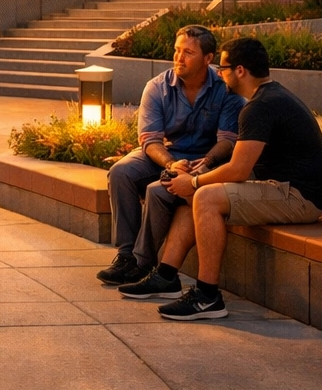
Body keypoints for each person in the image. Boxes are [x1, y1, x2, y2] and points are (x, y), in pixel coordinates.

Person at [145, 37, 322, 321]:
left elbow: (239, 170)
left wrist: (193, 182)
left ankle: (207, 296)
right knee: (201, 189)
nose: (219, 73)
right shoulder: (268, 97)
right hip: (281, 186)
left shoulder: (259, 106)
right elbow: (243, 164)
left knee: (204, 195)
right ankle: (166, 275)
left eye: (224, 67)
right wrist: (199, 176)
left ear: (240, 70)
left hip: (299, 197)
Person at [96, 24, 243, 287]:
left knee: (158, 190)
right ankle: (126, 255)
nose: (179, 57)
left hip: (206, 160)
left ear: (208, 59)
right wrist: (171, 163)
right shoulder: (157, 86)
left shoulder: (225, 89)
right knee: (121, 171)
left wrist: (205, 163)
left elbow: (227, 142)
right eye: (177, 50)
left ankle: (143, 263)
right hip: (167, 154)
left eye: (188, 52)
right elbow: (150, 140)